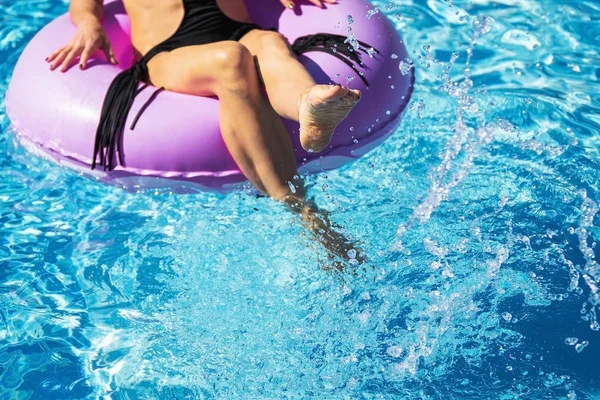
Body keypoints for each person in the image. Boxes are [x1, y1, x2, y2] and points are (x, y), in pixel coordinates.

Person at [47, 0, 368, 267]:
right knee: (230, 60)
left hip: (241, 31)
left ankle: (307, 107)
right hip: (169, 50)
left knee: (271, 43)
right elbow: (85, 5)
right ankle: (302, 212)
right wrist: (89, 24)